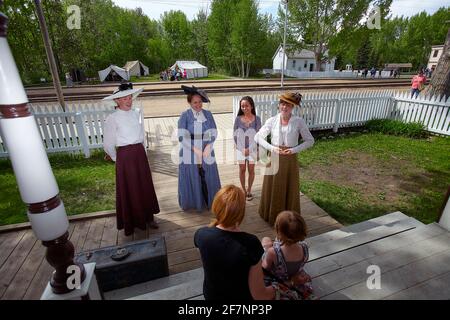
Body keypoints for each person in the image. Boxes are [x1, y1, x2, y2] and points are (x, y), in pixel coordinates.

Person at [194, 185, 276, 300]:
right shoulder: (250, 243)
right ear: (241, 214)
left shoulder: (201, 235)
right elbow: (260, 295)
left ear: (216, 207)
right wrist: (278, 288)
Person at [103, 83, 160, 235]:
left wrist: (143, 152)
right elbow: (108, 143)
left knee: (144, 186)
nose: (129, 101)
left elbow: (141, 135)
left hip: (139, 154)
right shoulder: (112, 118)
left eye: (130, 97)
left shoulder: (135, 113)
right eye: (124, 98)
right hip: (125, 157)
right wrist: (118, 159)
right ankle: (134, 221)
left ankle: (148, 217)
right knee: (131, 188)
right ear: (117, 101)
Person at [254, 92, 314, 226]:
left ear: (293, 106)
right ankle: (270, 215)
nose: (284, 107)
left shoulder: (299, 121)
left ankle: (289, 218)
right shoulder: (272, 120)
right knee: (272, 186)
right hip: (274, 157)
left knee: (289, 188)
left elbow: (310, 141)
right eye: (282, 103)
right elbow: (257, 137)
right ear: (279, 105)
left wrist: (293, 150)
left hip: (290, 160)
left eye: (288, 104)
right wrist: (271, 148)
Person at [178, 85, 221, 211]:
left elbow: (214, 132)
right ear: (189, 102)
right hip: (189, 150)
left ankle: (211, 201)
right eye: (195, 102)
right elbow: (181, 136)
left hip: (206, 149)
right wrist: (195, 150)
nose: (198, 105)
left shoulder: (208, 114)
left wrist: (209, 146)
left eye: (200, 102)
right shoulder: (185, 116)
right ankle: (195, 202)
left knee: (208, 174)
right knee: (193, 175)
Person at [261, 211, 314, 300]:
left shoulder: (273, 252)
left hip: (279, 282)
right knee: (269, 243)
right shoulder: (304, 247)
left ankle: (266, 245)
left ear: (278, 230)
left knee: (265, 240)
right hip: (296, 278)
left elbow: (264, 269)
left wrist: (267, 250)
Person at [233, 96, 261, 201]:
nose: (244, 108)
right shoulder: (237, 119)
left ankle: (249, 189)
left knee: (251, 169)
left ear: (252, 106)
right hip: (240, 149)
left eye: (247, 106)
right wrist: (241, 149)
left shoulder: (257, 119)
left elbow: (259, 136)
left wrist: (249, 149)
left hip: (253, 149)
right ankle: (243, 189)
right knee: (242, 169)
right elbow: (235, 135)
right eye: (242, 106)